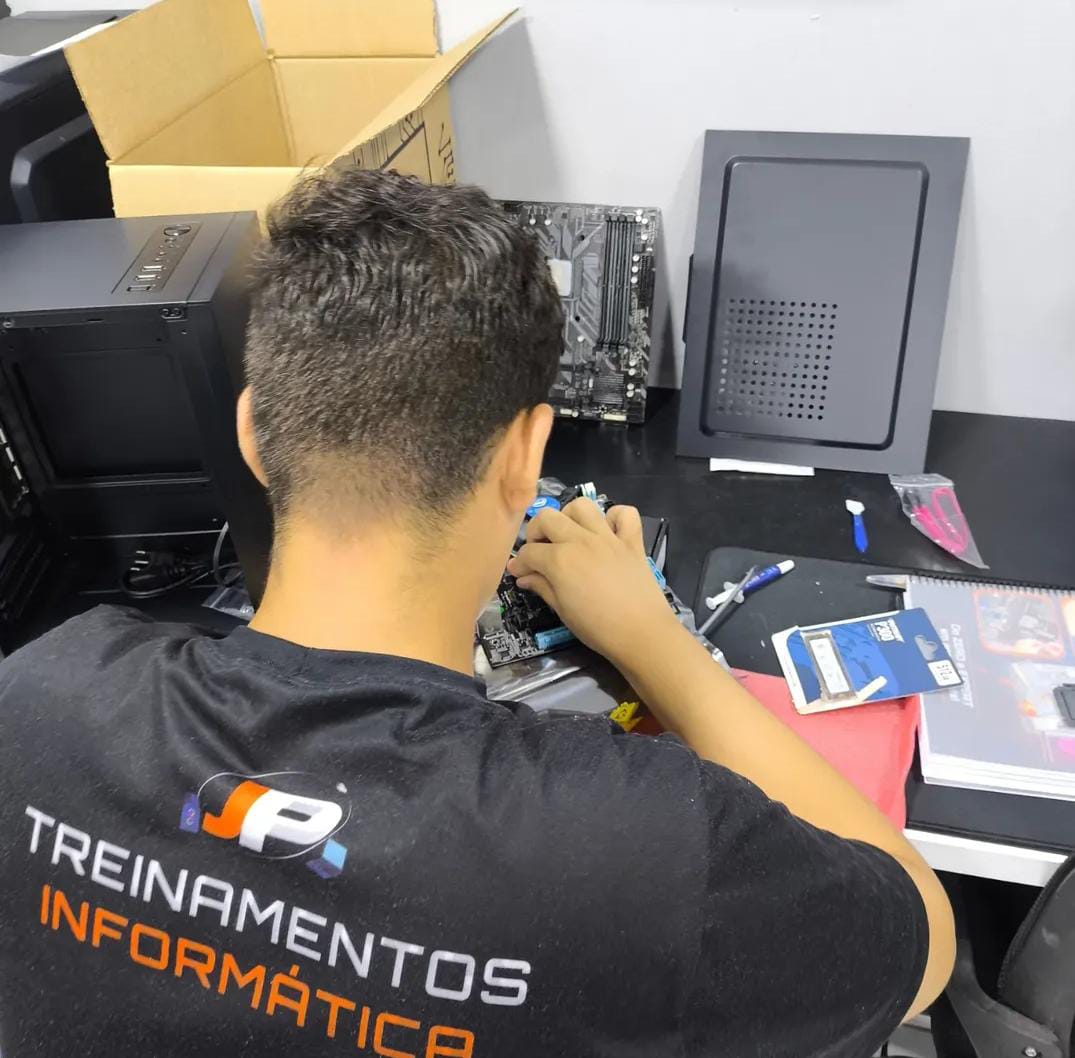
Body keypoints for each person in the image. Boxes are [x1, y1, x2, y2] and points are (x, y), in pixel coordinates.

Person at [0, 169, 953, 1058]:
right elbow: (920, 941)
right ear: (525, 456)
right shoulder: (640, 848)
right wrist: (657, 642)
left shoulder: (37, 698)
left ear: (253, 432)